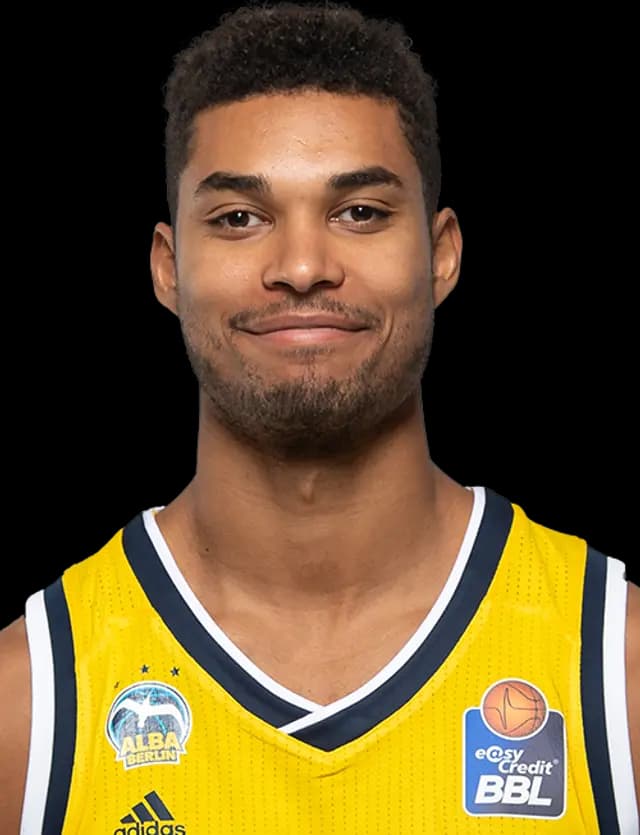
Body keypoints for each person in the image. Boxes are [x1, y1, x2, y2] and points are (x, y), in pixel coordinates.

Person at [1, 2, 638, 832]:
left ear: (442, 254)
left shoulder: (614, 672)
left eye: (360, 212)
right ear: (168, 267)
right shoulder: (31, 702)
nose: (302, 266)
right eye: (239, 218)